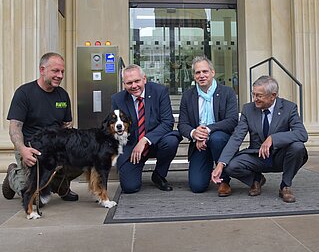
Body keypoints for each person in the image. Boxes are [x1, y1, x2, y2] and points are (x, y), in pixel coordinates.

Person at [211, 75, 308, 202]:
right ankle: (256, 179)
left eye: (259, 96)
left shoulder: (289, 108)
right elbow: (237, 137)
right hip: (257, 156)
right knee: (230, 166)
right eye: (253, 94)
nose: (255, 99)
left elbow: (302, 134)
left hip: (280, 155)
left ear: (273, 96)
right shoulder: (248, 109)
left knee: (298, 147)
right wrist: (220, 164)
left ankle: (285, 185)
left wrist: (273, 138)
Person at [2, 52, 82, 202]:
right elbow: (15, 127)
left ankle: (60, 185)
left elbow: (67, 125)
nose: (60, 75)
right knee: (32, 195)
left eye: (62, 72)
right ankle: (13, 175)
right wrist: (23, 150)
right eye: (55, 71)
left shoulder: (63, 96)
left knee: (84, 157)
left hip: (56, 147)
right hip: (32, 147)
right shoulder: (24, 93)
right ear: (42, 69)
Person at [111, 64, 182, 193]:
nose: (134, 86)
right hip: (132, 146)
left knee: (171, 140)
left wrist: (145, 140)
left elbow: (168, 122)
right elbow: (117, 127)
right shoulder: (117, 99)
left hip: (156, 142)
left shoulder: (160, 91)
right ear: (124, 84)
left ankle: (159, 175)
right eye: (129, 83)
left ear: (144, 79)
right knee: (129, 188)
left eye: (137, 81)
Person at [178, 56, 238, 194]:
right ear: (194, 76)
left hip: (220, 140)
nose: (202, 76)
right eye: (198, 73)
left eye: (205, 71)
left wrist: (207, 130)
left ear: (212, 72)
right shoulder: (188, 96)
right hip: (200, 144)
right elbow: (182, 124)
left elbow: (232, 120)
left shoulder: (227, 93)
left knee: (216, 138)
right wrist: (194, 133)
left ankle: (224, 181)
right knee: (197, 187)